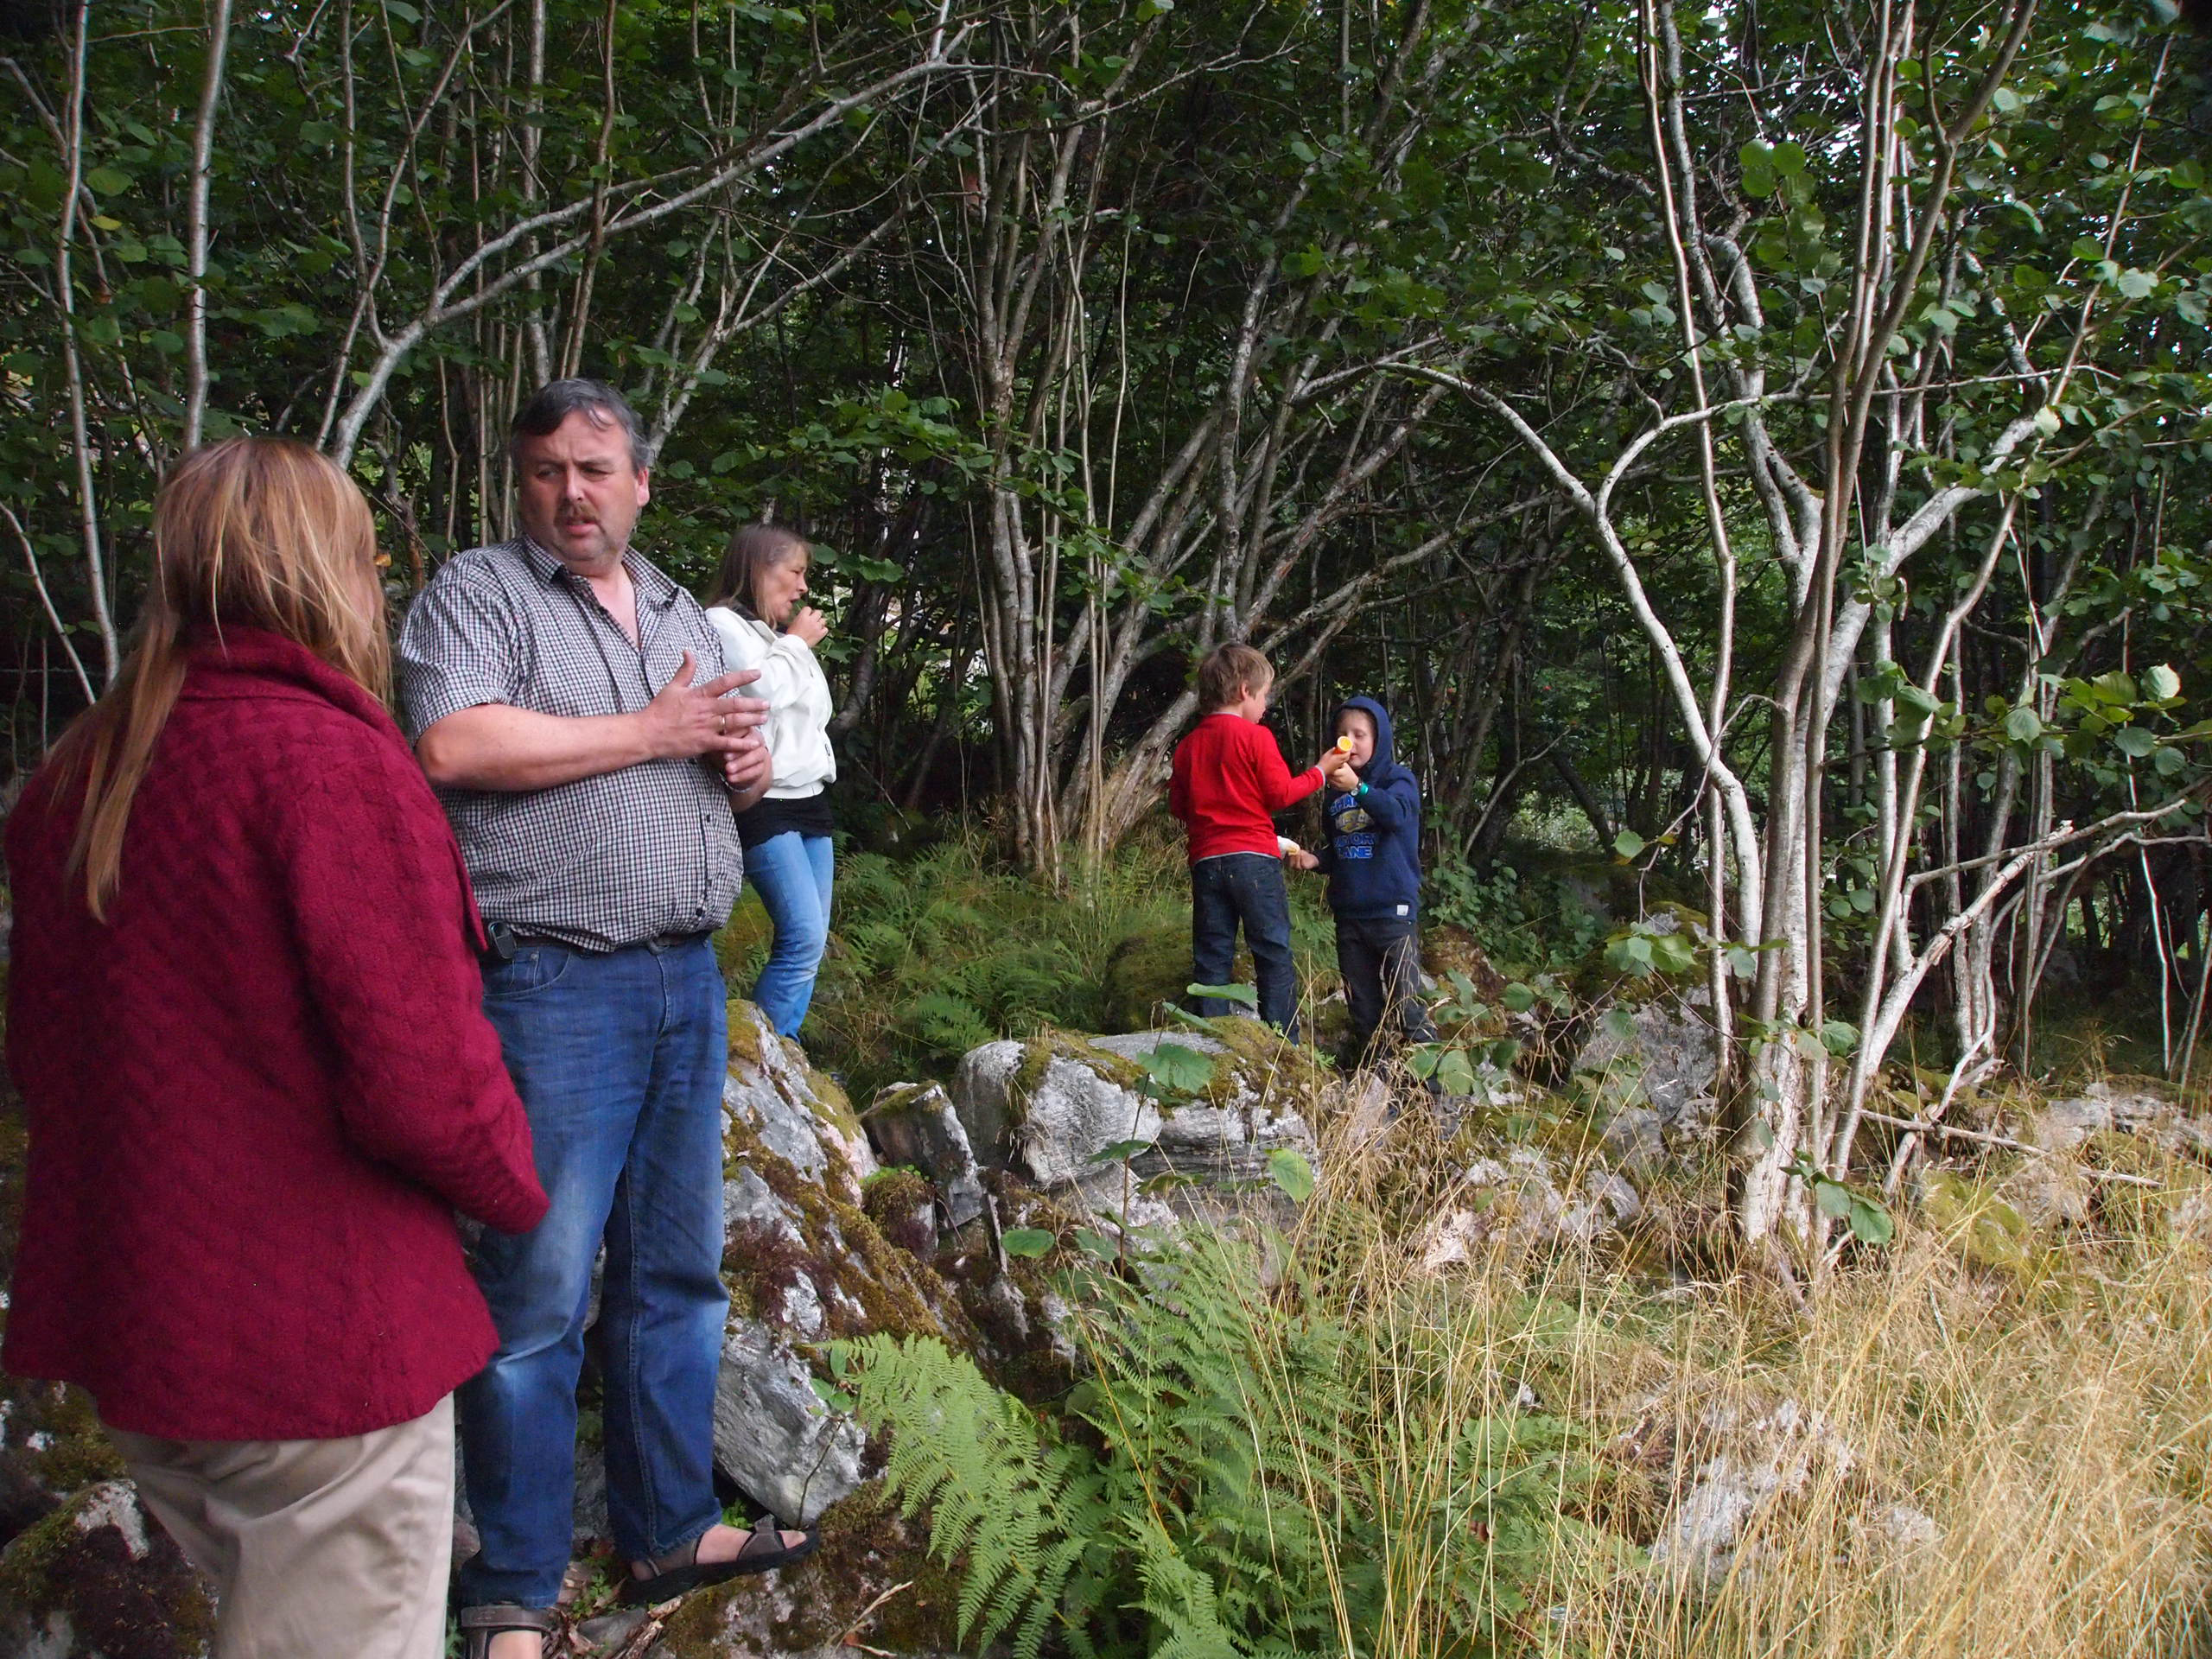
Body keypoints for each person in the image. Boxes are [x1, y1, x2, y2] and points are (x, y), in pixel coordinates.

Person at [3, 436, 550, 1659]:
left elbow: (44, 1066)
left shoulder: (77, 775)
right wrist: (520, 1189)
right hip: (318, 1354)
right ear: (328, 573)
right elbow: (422, 1083)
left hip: (151, 1339)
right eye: (366, 562)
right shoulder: (327, 762)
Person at [397, 379, 816, 1659]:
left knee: (676, 1280)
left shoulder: (686, 607)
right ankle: (513, 1590)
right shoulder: (478, 594)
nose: (568, 493)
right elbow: (453, 746)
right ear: (521, 487)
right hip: (553, 985)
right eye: (543, 473)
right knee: (534, 1299)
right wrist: (649, 730)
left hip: (686, 980)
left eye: (592, 469)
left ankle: (667, 1530)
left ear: (640, 482)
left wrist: (732, 764)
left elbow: (703, 747)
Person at [702, 524, 838, 1039]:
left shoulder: (772, 639)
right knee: (802, 937)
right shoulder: (722, 624)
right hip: (765, 799)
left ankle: (788, 1050)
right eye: (796, 572)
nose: (803, 587)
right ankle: (761, 1059)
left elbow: (812, 715)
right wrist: (798, 645)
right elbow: (760, 695)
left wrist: (790, 645)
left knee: (813, 941)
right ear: (760, 567)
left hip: (810, 798)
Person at [1168, 642, 1341, 1037]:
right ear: (1245, 691)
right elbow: (1280, 794)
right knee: (1272, 951)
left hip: (1207, 860)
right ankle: (1284, 1045)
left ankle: (1210, 1041)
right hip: (1255, 860)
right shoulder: (1256, 737)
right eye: (1264, 696)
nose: (1265, 706)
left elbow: (1178, 807)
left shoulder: (1189, 745)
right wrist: (1321, 769)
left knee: (1212, 956)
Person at [1298, 696, 1440, 1071]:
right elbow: (1343, 846)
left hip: (1392, 912)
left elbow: (1396, 817)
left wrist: (1359, 788)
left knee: (1406, 1004)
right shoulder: (1334, 794)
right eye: (1342, 734)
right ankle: (1379, 1082)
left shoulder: (1398, 780)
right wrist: (1316, 860)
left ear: (1378, 739)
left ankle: (1437, 1093)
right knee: (1363, 1008)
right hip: (1349, 915)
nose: (1350, 742)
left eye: (1359, 735)